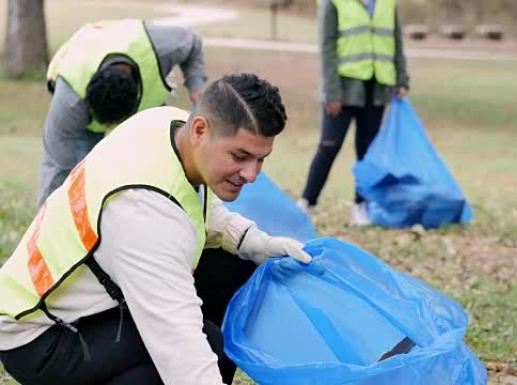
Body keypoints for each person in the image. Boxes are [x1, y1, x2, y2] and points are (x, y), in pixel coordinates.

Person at [0, 73, 312, 385]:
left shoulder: (170, 125)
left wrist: (254, 241)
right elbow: (181, 348)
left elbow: (193, 205)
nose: (252, 174)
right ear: (201, 130)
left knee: (234, 266)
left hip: (87, 302)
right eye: (240, 156)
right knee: (203, 349)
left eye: (261, 159)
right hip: (38, 337)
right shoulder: (144, 216)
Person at [38, 18, 208, 206]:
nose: (109, 129)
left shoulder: (161, 46)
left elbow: (194, 44)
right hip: (81, 102)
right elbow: (56, 168)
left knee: (162, 162)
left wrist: (196, 88)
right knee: (81, 181)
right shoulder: (71, 101)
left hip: (147, 103)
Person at [298, 0, 410, 225]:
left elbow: (396, 42)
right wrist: (331, 92)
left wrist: (401, 78)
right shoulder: (333, 3)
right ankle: (307, 203)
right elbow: (327, 46)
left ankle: (361, 206)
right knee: (329, 146)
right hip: (343, 87)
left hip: (377, 86)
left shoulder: (388, 4)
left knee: (367, 151)